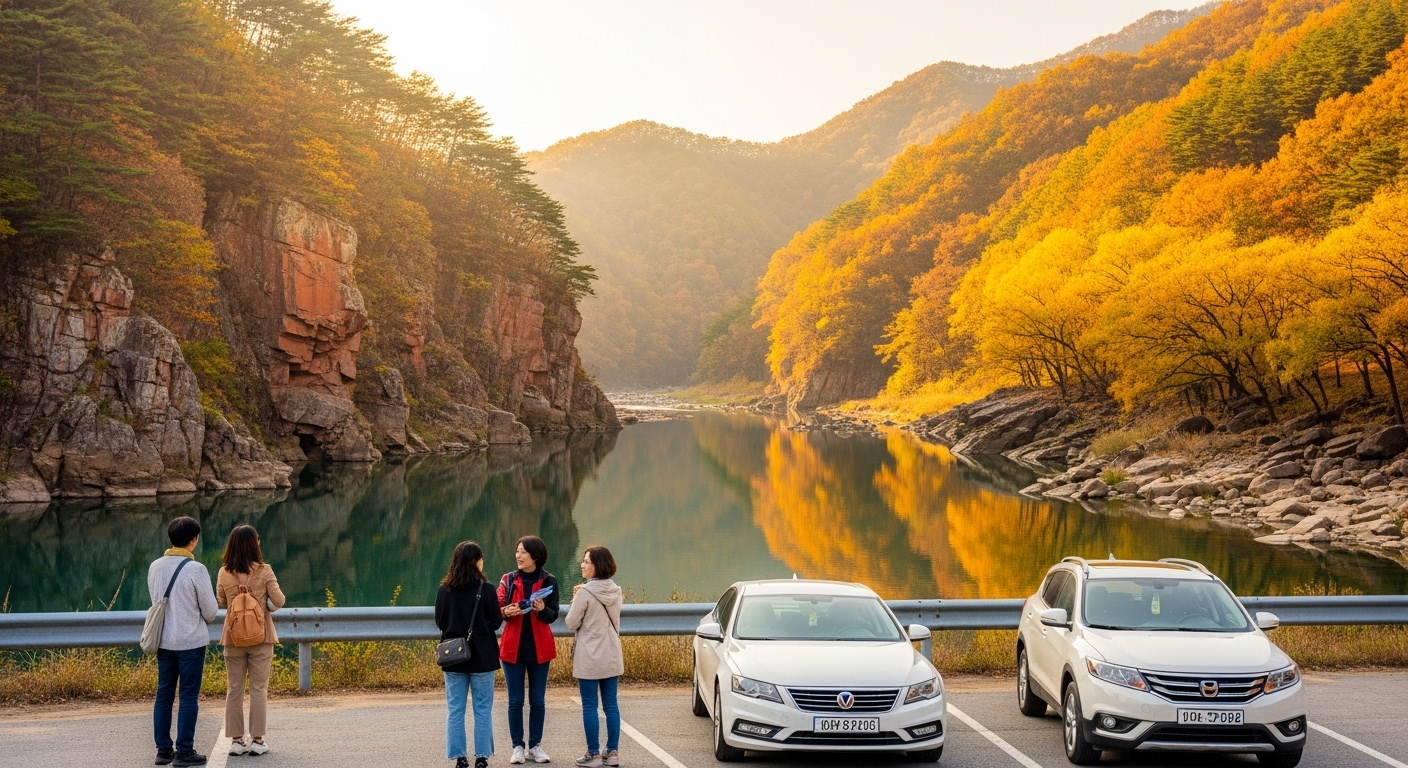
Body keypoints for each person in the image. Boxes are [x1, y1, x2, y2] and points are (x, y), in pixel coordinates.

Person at [148, 516, 218, 767]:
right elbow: (210, 611)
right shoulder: (196, 570)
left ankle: (163, 750)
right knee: (188, 696)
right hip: (190, 643)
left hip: (164, 642)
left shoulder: (155, 566)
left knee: (164, 695)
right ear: (194, 540)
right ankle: (184, 751)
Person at [216, 525, 286, 757]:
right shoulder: (265, 571)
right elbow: (280, 600)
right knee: (258, 689)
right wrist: (263, 602)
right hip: (261, 636)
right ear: (254, 544)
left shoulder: (224, 572)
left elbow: (221, 601)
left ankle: (237, 741)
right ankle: (257, 740)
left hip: (233, 638)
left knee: (234, 689)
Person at [436, 541, 504, 768]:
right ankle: (482, 758)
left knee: (455, 709)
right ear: (476, 561)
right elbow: (495, 622)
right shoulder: (485, 589)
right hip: (482, 658)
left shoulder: (444, 590)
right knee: (482, 709)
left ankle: (460, 758)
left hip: (453, 657)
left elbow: (439, 621)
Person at [497, 535, 560, 765]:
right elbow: (497, 607)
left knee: (538, 700)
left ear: (536, 555)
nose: (519, 556)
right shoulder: (508, 579)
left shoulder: (549, 581)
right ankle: (517, 747)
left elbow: (553, 615)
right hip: (512, 648)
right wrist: (506, 612)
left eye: (523, 552)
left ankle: (535, 745)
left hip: (539, 649)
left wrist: (542, 609)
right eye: (517, 551)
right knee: (515, 701)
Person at [565, 546, 623, 768]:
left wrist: (575, 599)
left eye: (586, 561)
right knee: (611, 705)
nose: (582, 564)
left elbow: (571, 622)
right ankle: (613, 752)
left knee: (589, 705)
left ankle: (593, 754)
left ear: (597, 565)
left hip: (589, 655)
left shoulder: (585, 593)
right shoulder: (616, 591)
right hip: (611, 654)